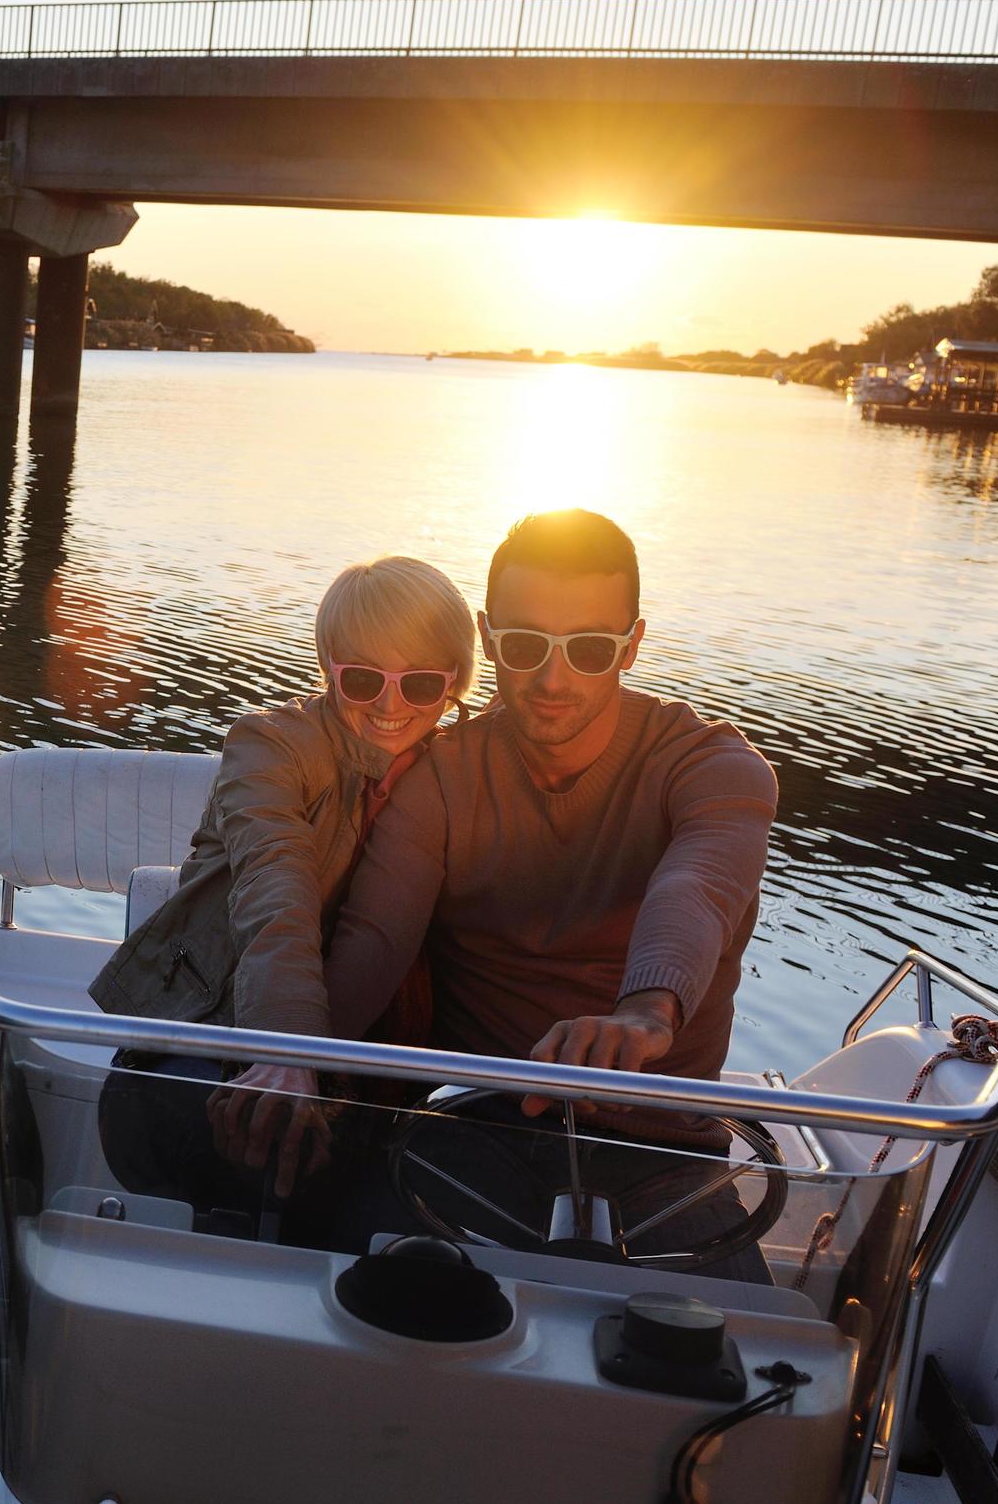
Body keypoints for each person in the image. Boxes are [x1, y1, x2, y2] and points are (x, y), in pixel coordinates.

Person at [305, 509, 783, 1260]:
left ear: (632, 646)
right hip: (478, 1125)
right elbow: (377, 938)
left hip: (663, 1149)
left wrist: (645, 1010)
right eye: (526, 646)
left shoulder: (715, 768)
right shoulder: (441, 776)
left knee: (730, 1362)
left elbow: (694, 887)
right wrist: (296, 1061)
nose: (554, 679)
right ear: (490, 637)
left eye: (590, 648)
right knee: (367, 1289)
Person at [92, 555, 474, 1222]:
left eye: (419, 684)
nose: (390, 706)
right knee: (265, 1146)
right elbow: (276, 894)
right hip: (215, 1035)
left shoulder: (456, 770)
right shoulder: (269, 746)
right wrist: (290, 1054)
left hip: (372, 1064)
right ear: (329, 665)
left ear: (455, 683)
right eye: (362, 680)